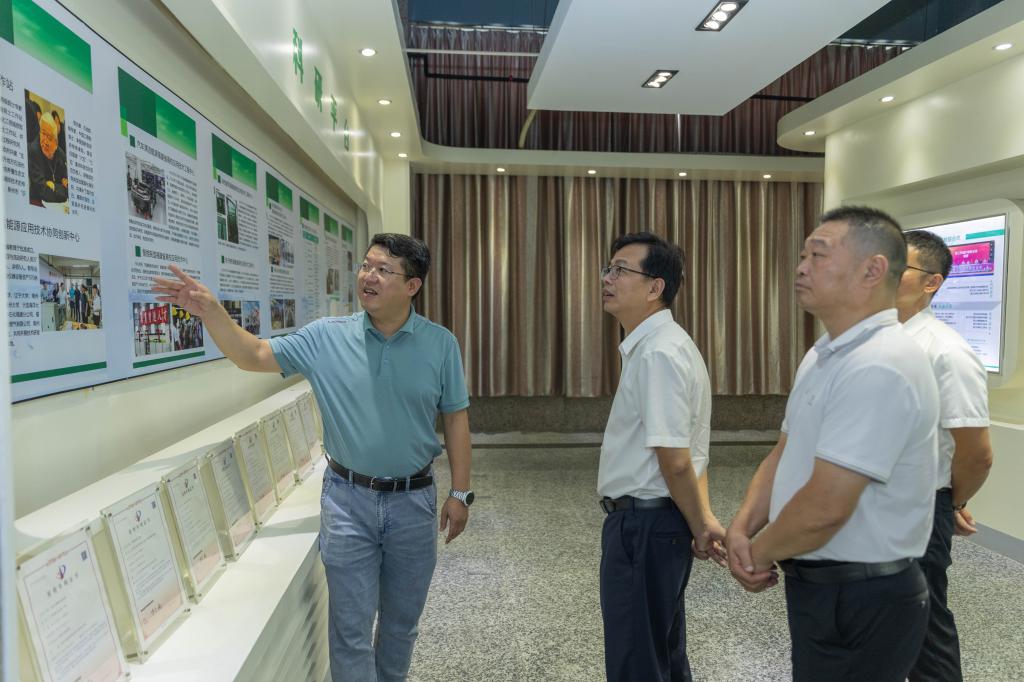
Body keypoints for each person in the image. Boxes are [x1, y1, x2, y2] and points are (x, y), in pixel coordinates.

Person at [153, 233, 473, 682]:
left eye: (383, 270)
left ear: (412, 286)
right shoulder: (326, 337)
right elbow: (253, 354)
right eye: (366, 266)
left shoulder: (440, 344)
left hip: (413, 501)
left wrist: (460, 493)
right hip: (348, 502)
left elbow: (455, 418)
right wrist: (211, 312)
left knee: (401, 626)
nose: (368, 276)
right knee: (350, 631)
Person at [726, 206, 939, 681]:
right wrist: (742, 526)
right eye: (803, 256)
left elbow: (826, 506)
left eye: (818, 256)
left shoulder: (881, 362)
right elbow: (785, 451)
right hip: (822, 585)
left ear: (873, 270)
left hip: (865, 595)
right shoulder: (825, 353)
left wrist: (757, 553)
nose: (801, 268)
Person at [597, 232, 727, 682]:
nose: (607, 279)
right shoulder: (663, 344)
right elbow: (692, 453)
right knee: (661, 655)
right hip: (657, 523)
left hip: (644, 525)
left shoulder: (658, 352)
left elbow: (675, 459)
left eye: (620, 270)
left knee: (639, 660)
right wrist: (700, 519)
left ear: (655, 287)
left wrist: (700, 524)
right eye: (608, 268)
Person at [898, 230, 993, 682]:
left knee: (923, 630)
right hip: (864, 508)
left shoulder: (946, 351)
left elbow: (977, 454)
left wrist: (951, 503)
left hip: (919, 508)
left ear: (931, 282)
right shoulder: (872, 339)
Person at [27, 112, 68, 205]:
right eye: (43, 133)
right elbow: (43, 191)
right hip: (36, 203)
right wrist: (61, 188)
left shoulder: (60, 154)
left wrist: (54, 186)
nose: (44, 141)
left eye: (49, 137)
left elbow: (69, 184)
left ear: (56, 142)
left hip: (59, 205)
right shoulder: (33, 151)